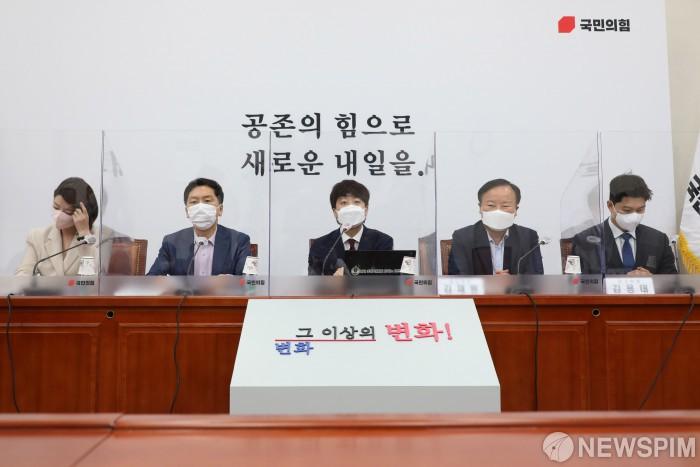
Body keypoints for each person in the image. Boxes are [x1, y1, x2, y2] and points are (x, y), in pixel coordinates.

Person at [571, 174, 677, 275]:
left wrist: (652, 280)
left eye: (640, 210)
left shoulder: (659, 240)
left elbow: (672, 281)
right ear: (610, 206)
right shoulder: (583, 241)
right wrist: (623, 279)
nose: (634, 216)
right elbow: (573, 282)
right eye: (627, 210)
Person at [147, 178, 251, 276]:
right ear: (187, 212)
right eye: (194, 202)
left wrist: (231, 282)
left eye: (207, 201)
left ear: (220, 209)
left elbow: (251, 283)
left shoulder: (240, 241)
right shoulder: (171, 242)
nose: (200, 208)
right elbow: (151, 279)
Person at [448, 178, 544, 275]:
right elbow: (457, 278)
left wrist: (512, 281)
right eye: (491, 205)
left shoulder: (528, 237)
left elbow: (536, 277)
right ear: (480, 208)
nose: (498, 211)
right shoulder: (463, 238)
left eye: (505, 206)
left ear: (516, 210)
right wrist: (491, 282)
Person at [16, 177, 103, 276]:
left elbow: (92, 279)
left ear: (83, 213)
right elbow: (23, 274)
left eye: (67, 211)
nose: (58, 215)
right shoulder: (37, 237)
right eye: (56, 207)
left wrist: (84, 233)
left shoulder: (99, 238)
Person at [308, 179, 393, 275]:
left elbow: (386, 279)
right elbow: (313, 282)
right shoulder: (319, 245)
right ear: (335, 212)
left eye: (356, 202)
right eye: (344, 203)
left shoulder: (382, 242)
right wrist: (331, 281)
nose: (351, 208)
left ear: (365, 210)